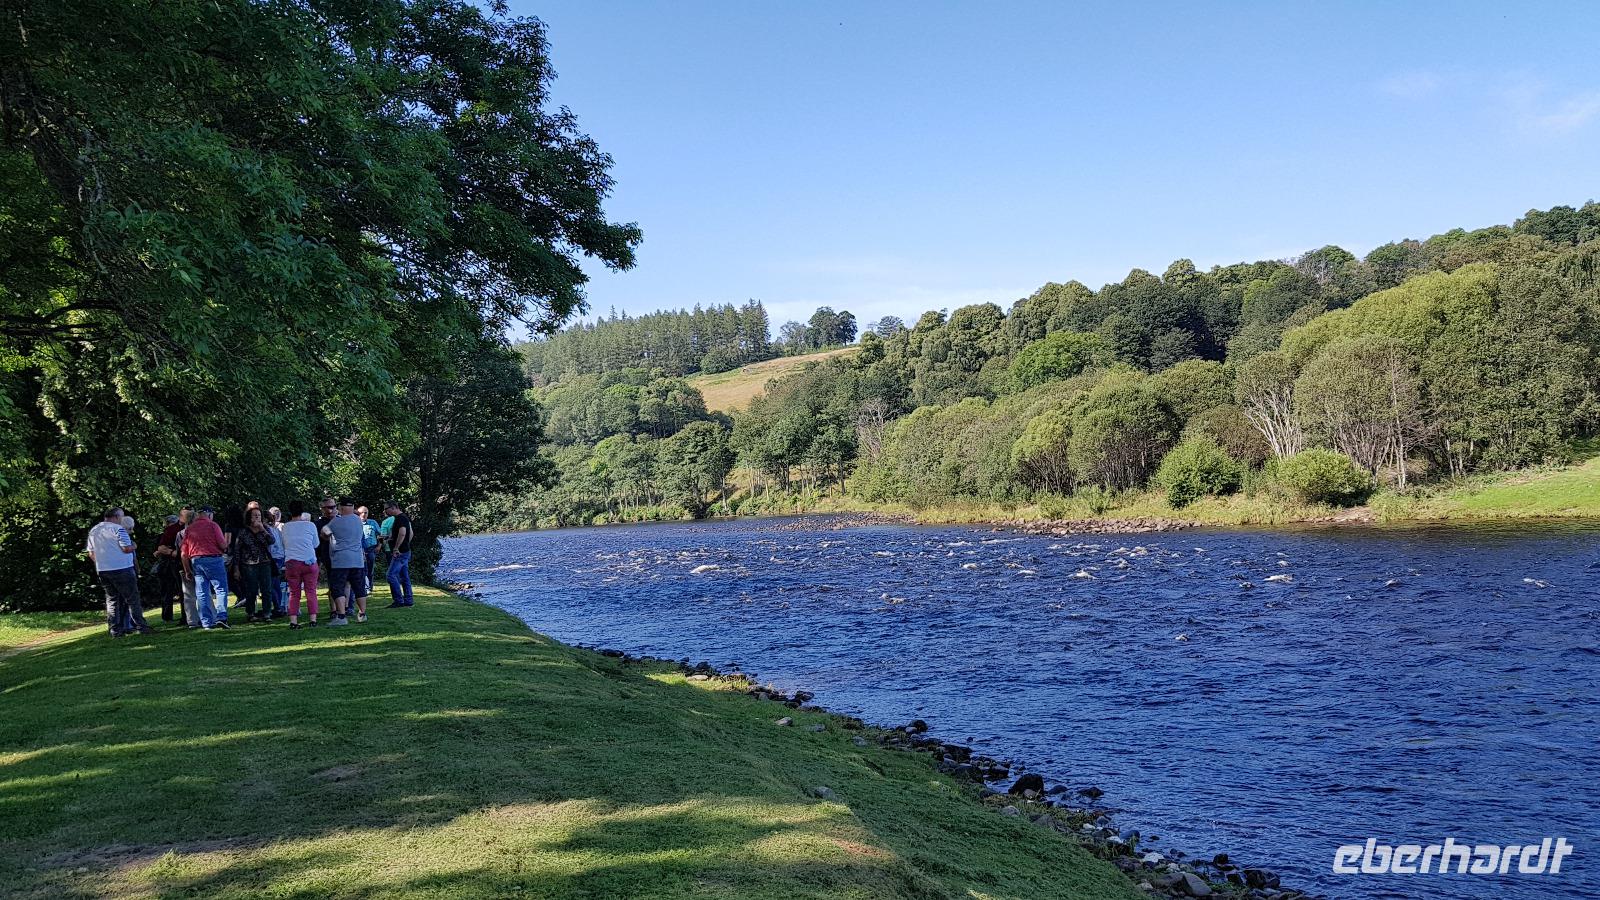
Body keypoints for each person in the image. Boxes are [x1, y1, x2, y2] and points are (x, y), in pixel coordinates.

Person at [86, 507, 152, 637]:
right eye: (121, 516)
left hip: (103, 569)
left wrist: (101, 562)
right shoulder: (118, 529)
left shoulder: (94, 530)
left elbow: (91, 553)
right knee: (132, 599)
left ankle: (115, 630)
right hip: (122, 568)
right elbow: (126, 548)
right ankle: (141, 626)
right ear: (116, 517)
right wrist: (134, 546)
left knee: (112, 600)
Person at [182, 506, 231, 630]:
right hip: (214, 559)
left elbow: (183, 553)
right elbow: (223, 545)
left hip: (196, 561)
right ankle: (221, 617)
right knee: (220, 589)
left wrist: (187, 570)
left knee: (202, 593)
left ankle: (206, 623)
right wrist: (226, 545)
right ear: (208, 514)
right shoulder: (213, 525)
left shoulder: (189, 529)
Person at [322, 498, 367, 625]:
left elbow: (324, 533)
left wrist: (327, 535)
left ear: (340, 508)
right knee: (359, 587)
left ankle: (341, 616)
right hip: (357, 560)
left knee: (338, 588)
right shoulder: (358, 521)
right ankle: (362, 614)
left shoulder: (336, 521)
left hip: (340, 561)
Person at [280, 500, 321, 629]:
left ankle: (293, 621)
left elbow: (283, 544)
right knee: (311, 591)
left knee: (294, 593)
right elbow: (316, 544)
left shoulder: (285, 527)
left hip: (292, 563)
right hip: (309, 561)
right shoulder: (310, 525)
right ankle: (313, 620)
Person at [234, 507, 278, 622]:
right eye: (255, 515)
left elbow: (272, 541)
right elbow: (237, 551)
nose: (257, 517)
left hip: (264, 562)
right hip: (249, 564)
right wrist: (236, 568)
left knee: (266, 589)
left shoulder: (265, 529)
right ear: (249, 517)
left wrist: (262, 529)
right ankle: (251, 613)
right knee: (251, 590)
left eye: (259, 515)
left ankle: (267, 613)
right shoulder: (243, 532)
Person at [153, 508, 190, 622]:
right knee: (175, 590)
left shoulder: (173, 530)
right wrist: (173, 552)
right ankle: (172, 616)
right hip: (171, 564)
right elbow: (159, 549)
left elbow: (159, 550)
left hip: (172, 563)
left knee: (176, 591)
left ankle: (177, 616)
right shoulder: (170, 531)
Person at [384, 501, 414, 608]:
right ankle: (408, 600)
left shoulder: (400, 518)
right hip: (405, 551)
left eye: (386, 508)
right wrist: (390, 538)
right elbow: (411, 533)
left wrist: (396, 548)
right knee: (404, 577)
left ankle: (398, 600)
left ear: (393, 507)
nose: (385, 511)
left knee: (390, 575)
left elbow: (402, 533)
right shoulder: (402, 518)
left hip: (400, 553)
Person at [267, 506, 288, 616]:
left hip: (276, 556)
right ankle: (278, 606)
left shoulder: (280, 527)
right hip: (278, 556)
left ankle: (278, 606)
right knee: (276, 583)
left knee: (273, 583)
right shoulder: (274, 528)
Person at [358, 505, 379, 595]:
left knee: (370, 569)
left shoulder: (373, 522)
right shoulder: (355, 523)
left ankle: (370, 586)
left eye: (365, 513)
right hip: (359, 550)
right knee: (362, 569)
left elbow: (380, 535)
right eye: (361, 513)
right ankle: (363, 587)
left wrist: (379, 546)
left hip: (371, 549)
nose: (363, 514)